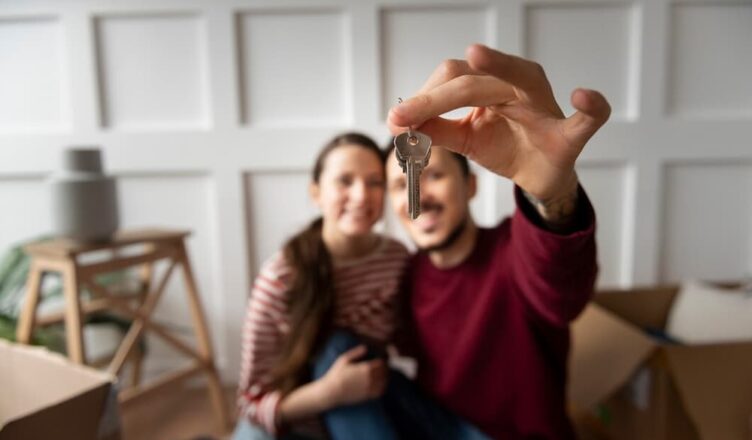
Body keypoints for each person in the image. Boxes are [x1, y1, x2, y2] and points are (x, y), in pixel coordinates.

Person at [382, 44, 611, 439]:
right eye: (401, 184)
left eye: (431, 175)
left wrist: (550, 195)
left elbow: (562, 291)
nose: (416, 195)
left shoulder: (514, 248)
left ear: (470, 186)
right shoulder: (404, 274)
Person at [233, 132, 410, 440]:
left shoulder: (397, 259)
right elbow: (250, 403)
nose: (361, 195)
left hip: (361, 414)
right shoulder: (281, 276)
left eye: (374, 182)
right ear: (316, 193)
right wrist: (329, 393)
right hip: (293, 423)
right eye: (344, 181)